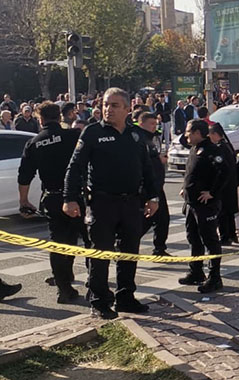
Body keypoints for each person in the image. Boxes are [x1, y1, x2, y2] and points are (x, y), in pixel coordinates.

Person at [63, 87, 159, 320]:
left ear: (128, 109)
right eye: (106, 104)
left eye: (115, 105)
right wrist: (69, 198)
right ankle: (100, 301)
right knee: (100, 253)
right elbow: (74, 167)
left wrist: (153, 197)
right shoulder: (92, 133)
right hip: (102, 203)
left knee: (129, 253)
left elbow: (147, 168)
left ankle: (126, 297)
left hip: (131, 203)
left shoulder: (136, 135)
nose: (108, 109)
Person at [17, 101, 84, 304]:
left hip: (52, 197)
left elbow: (24, 175)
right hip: (75, 196)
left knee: (58, 240)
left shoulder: (35, 142)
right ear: (59, 116)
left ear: (41, 119)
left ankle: (63, 285)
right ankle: (81, 280)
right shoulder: (72, 136)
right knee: (80, 238)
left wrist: (24, 201)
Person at [178, 119, 228, 293]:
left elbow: (225, 172)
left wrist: (212, 193)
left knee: (210, 240)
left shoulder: (211, 150)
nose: (186, 136)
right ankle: (196, 271)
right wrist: (185, 188)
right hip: (191, 203)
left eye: (188, 132)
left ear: (198, 133)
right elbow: (192, 172)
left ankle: (215, 278)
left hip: (205, 205)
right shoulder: (195, 149)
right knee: (193, 237)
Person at [135, 112, 171, 256]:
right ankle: (125, 244)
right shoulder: (139, 139)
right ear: (142, 123)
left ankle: (159, 248)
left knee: (163, 219)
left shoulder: (150, 137)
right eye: (151, 124)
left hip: (157, 186)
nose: (154, 127)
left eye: (155, 124)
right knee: (146, 220)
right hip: (147, 187)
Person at [208, 123, 239, 244]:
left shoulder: (220, 148)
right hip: (231, 183)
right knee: (229, 211)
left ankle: (225, 237)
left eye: (210, 134)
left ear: (215, 135)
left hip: (224, 185)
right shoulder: (227, 146)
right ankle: (232, 234)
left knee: (222, 212)